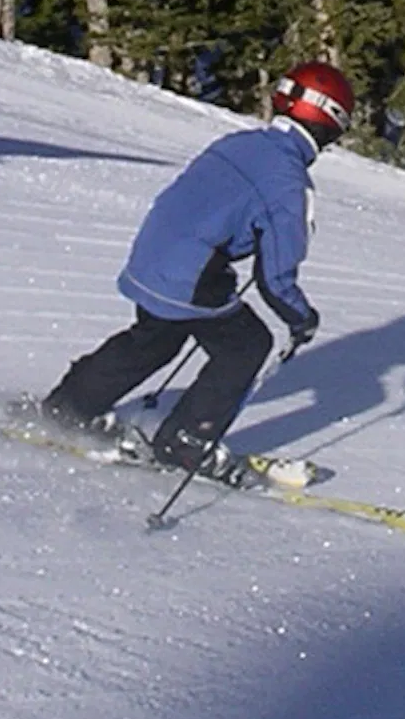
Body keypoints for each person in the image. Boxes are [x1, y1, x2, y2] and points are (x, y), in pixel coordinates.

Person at [42, 61, 351, 479]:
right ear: (328, 123)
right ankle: (185, 443)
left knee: (155, 339)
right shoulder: (288, 182)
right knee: (246, 345)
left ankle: (69, 406)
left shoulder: (240, 142)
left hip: (153, 255)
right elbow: (275, 278)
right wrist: (301, 319)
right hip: (191, 274)